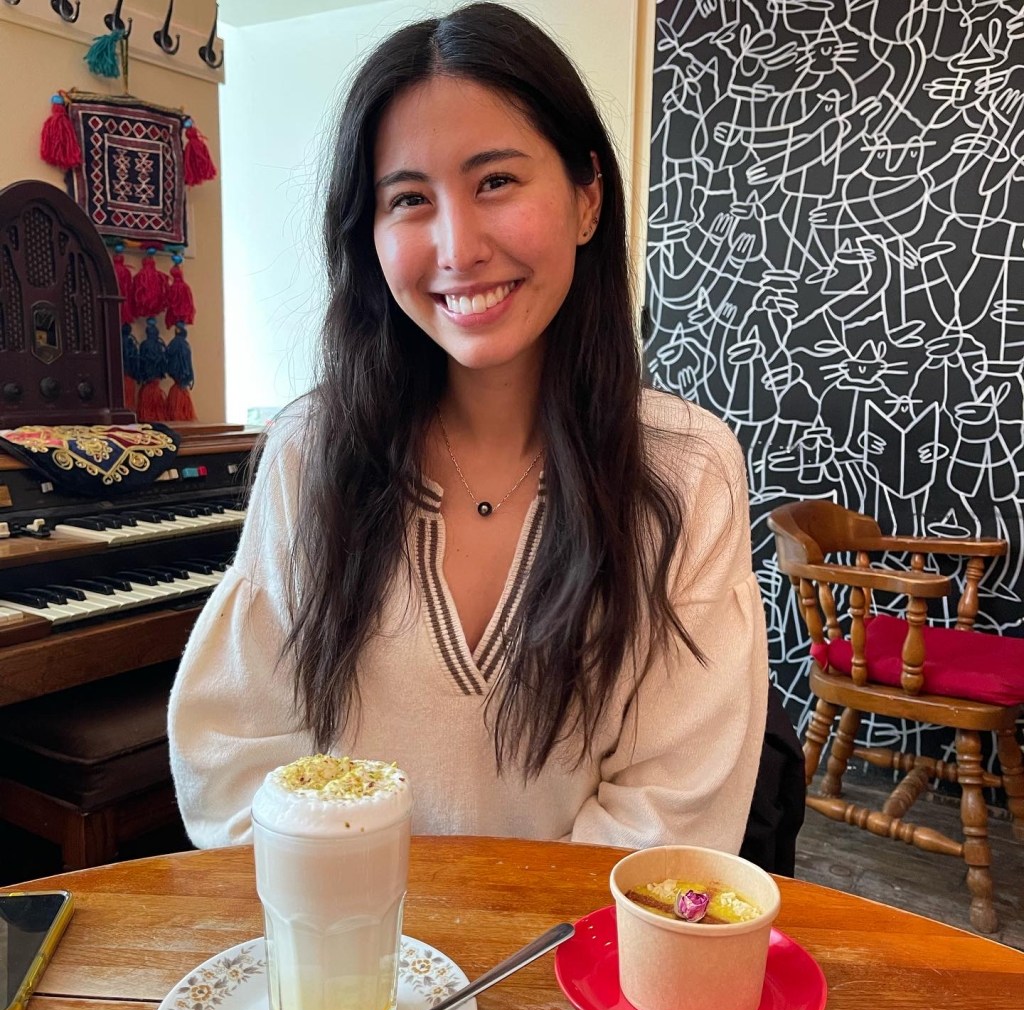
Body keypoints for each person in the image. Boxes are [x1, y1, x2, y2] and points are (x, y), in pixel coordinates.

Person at [168, 1, 769, 853]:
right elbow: (238, 755)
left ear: (588, 199)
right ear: (370, 235)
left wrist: (506, 940)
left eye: (496, 182)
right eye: (410, 198)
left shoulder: (686, 469)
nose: (457, 248)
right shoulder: (311, 453)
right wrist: (362, 921)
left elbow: (671, 814)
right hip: (347, 938)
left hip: (574, 940)